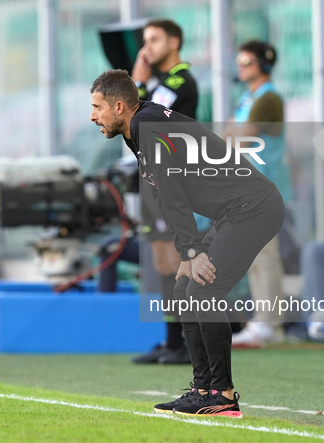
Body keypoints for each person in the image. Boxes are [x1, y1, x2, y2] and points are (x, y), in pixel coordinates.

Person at [90, 69, 283, 416]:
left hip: (254, 209)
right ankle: (202, 389)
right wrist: (188, 252)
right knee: (184, 289)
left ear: (119, 106)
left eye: (97, 107)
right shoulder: (140, 126)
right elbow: (166, 195)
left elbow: (172, 195)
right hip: (234, 213)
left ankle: (222, 395)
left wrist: (191, 250)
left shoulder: (148, 128)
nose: (92, 116)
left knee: (203, 292)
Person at [129, 19, 200, 364]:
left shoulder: (181, 81)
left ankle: (190, 343)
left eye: (154, 40)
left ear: (175, 42)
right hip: (151, 175)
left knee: (177, 258)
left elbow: (141, 115)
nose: (147, 48)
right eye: (145, 41)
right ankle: (172, 340)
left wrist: (137, 79)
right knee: (161, 261)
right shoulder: (159, 83)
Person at [226, 40, 292, 349]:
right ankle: (261, 322)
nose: (240, 66)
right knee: (254, 257)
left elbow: (239, 134)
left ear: (263, 65)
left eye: (246, 60)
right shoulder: (249, 97)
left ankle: (270, 323)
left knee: (265, 257)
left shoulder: (268, 99)